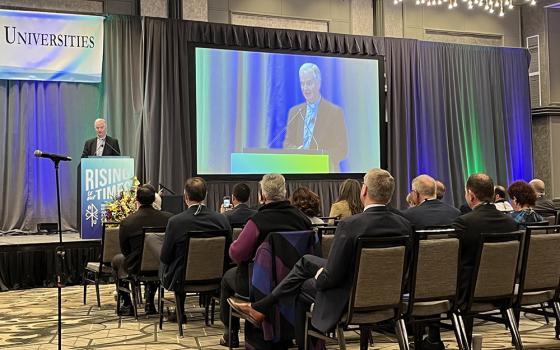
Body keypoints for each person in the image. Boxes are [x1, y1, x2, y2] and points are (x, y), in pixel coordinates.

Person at [228, 169, 412, 349]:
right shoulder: (404, 225)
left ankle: (293, 333)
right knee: (307, 261)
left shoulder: (351, 225)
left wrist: (318, 275)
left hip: (348, 296)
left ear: (364, 191)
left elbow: (330, 278)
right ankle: (262, 307)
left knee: (303, 286)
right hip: (389, 296)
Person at [219, 174, 312, 347]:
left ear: (261, 196)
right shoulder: (303, 220)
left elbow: (237, 254)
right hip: (296, 283)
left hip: (258, 284)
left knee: (226, 279)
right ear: (285, 193)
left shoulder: (257, 221)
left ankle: (230, 334)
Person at [452, 173, 518, 343]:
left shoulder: (464, 223)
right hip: (504, 291)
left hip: (467, 293)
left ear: (471, 195)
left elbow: (452, 258)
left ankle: (433, 340)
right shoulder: (511, 223)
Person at [401, 175, 461, 349]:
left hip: (414, 285)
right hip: (451, 284)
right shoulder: (456, 214)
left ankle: (420, 340)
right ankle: (433, 339)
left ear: (414, 194)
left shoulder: (408, 216)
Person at [159, 177, 231, 321]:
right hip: (215, 277)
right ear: (205, 195)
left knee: (167, 263)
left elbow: (165, 256)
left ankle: (180, 312)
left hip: (181, 279)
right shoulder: (221, 219)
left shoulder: (176, 222)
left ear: (186, 196)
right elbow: (229, 249)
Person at [111, 184, 173, 315]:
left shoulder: (128, 222)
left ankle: (127, 303)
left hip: (136, 266)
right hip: (161, 264)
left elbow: (125, 250)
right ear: (154, 199)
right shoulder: (168, 219)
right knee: (156, 258)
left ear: (136, 200)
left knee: (117, 260)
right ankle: (150, 302)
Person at [283, 63, 348, 171]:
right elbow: (287, 143)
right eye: (302, 84)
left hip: (325, 171)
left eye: (309, 83)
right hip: (298, 169)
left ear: (318, 83)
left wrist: (320, 157)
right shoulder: (294, 112)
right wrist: (297, 151)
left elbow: (342, 149)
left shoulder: (334, 112)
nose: (305, 88)